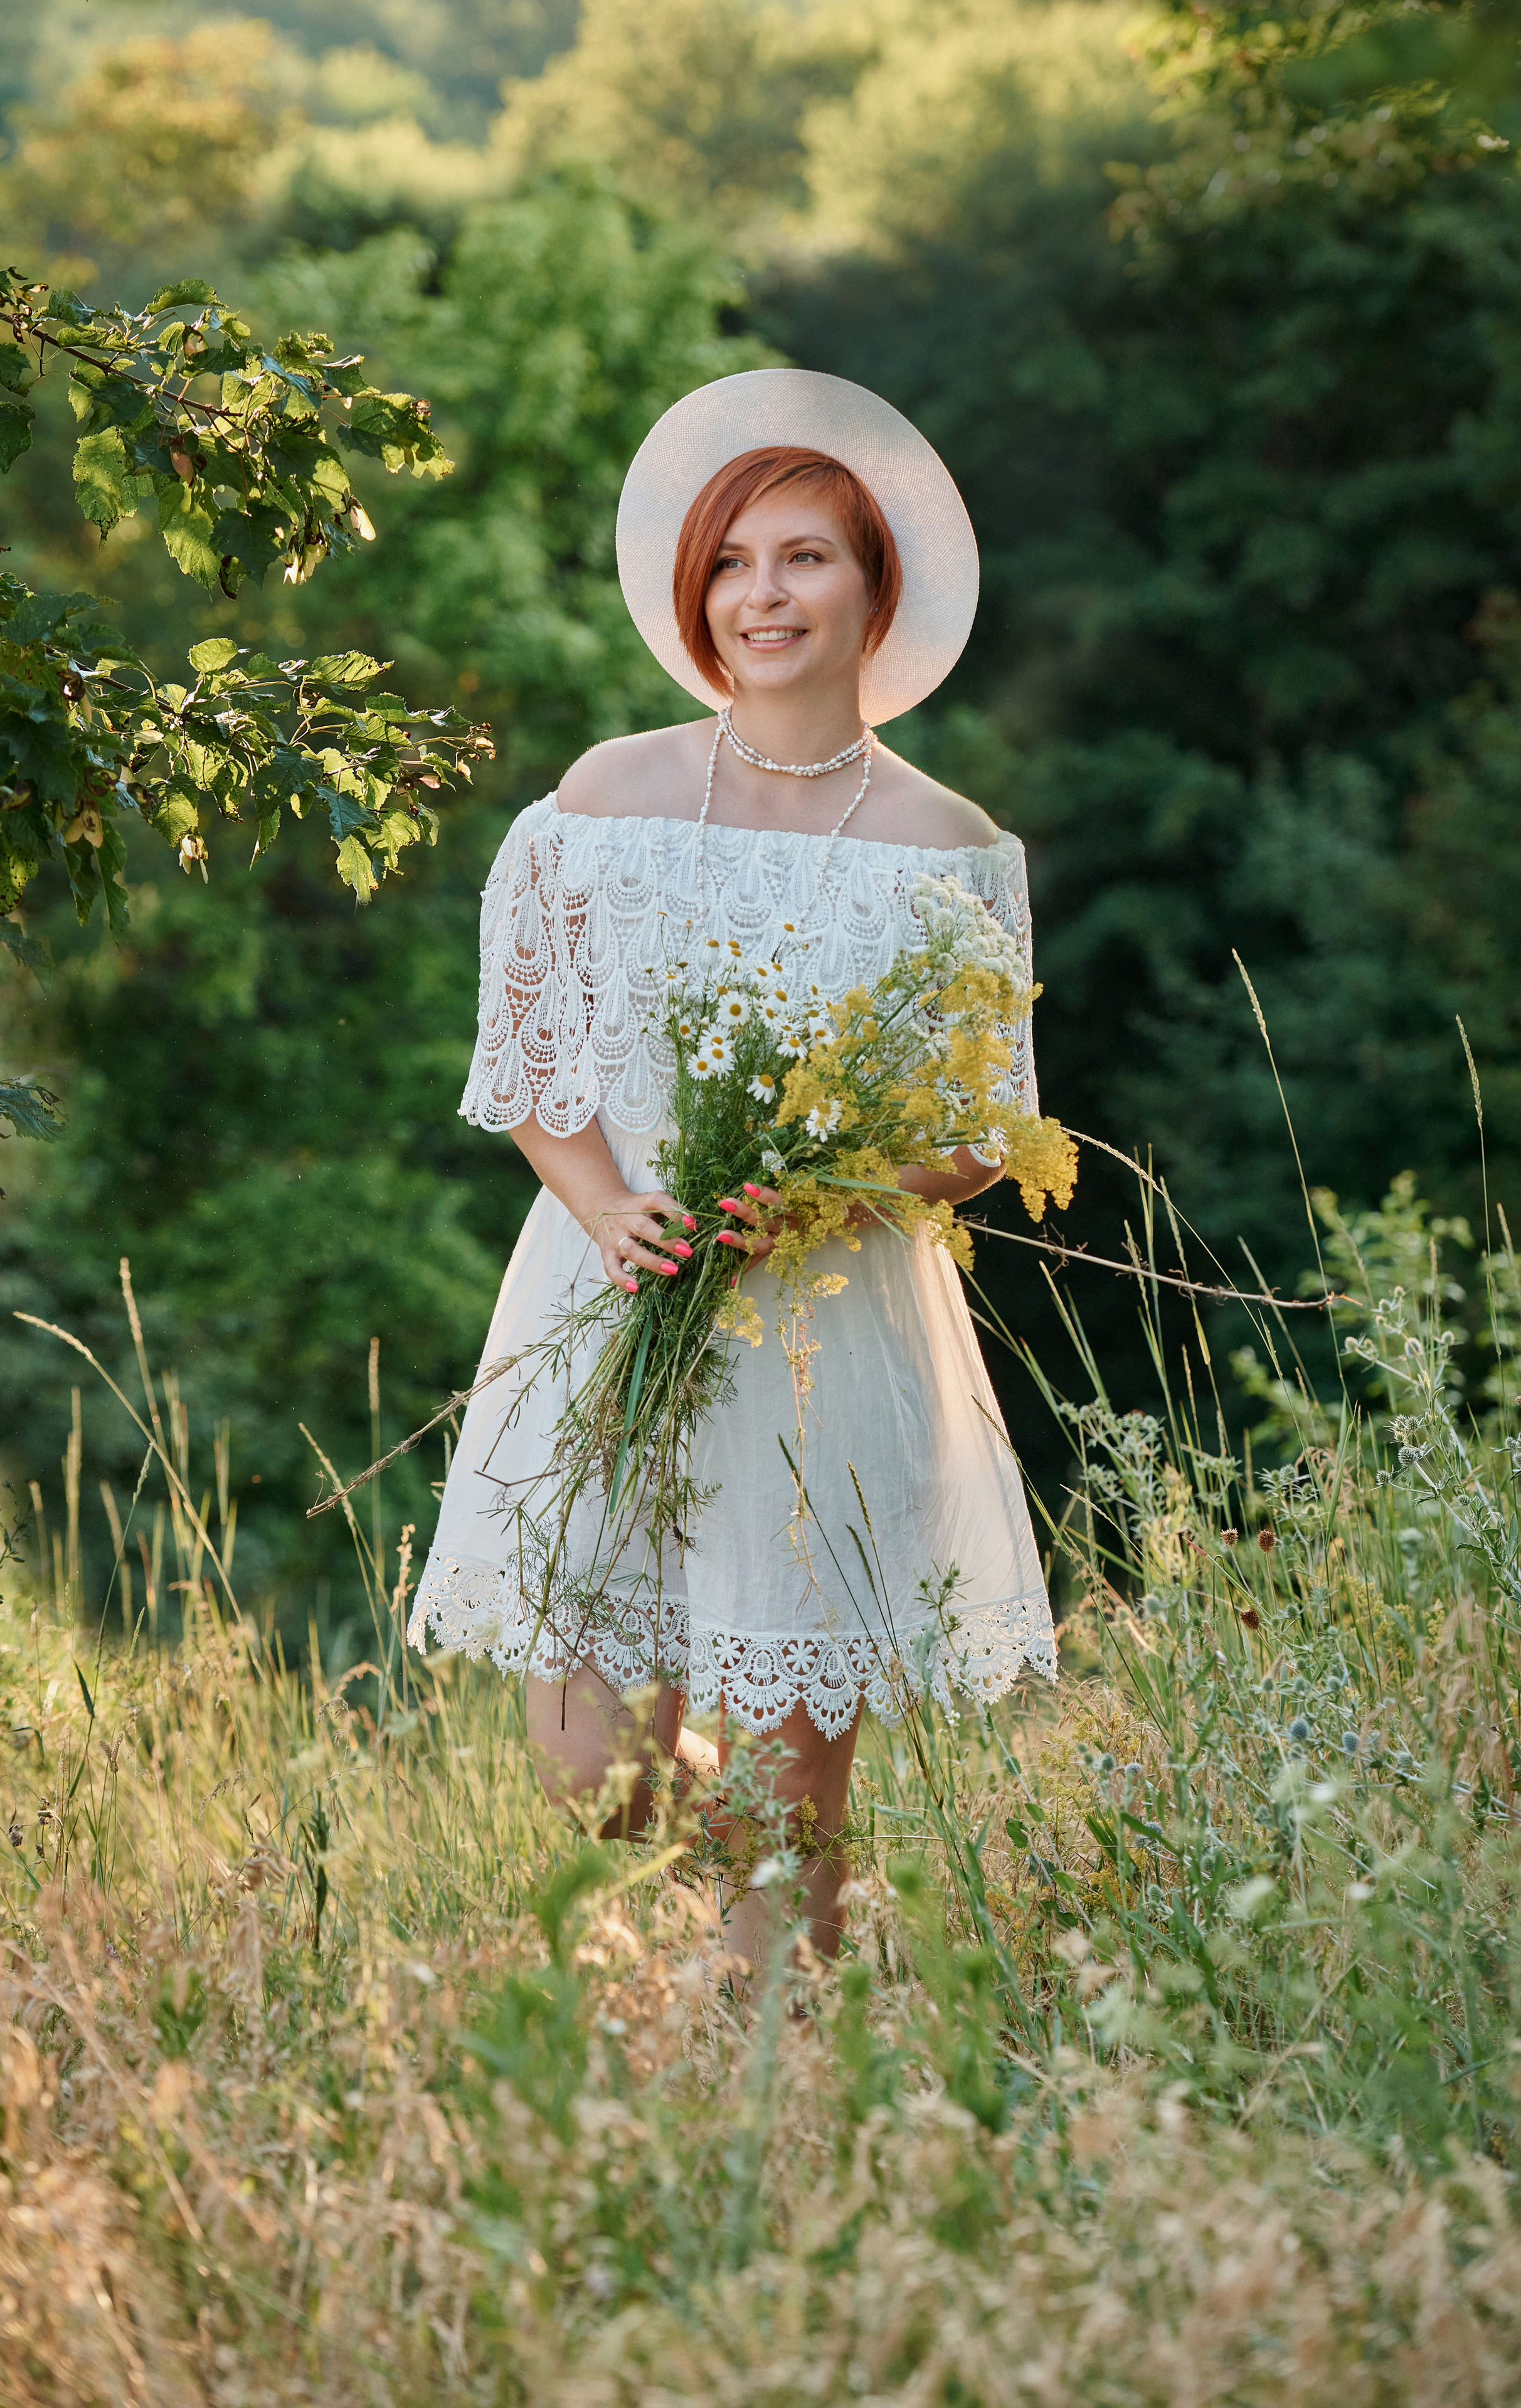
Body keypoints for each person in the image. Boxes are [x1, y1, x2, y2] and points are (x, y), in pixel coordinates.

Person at [407, 369, 1055, 1970]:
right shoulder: (600, 796)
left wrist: (828, 1187)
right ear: (693, 593)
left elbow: (980, 1134)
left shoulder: (947, 847)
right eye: (729, 563)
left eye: (803, 558)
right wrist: (603, 1199)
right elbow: (533, 1067)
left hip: (823, 1324)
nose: (761, 596)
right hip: (609, 1290)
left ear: (873, 589)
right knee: (594, 1764)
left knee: (786, 1783)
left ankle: (789, 2047)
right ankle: (810, 1918)